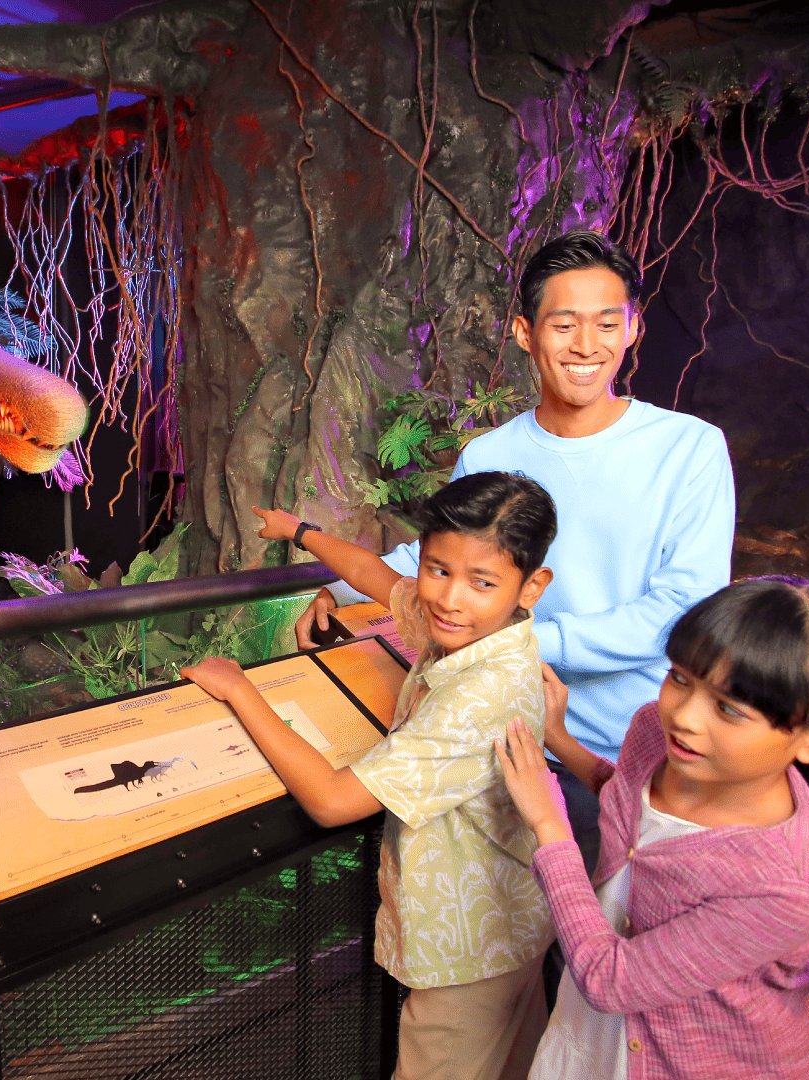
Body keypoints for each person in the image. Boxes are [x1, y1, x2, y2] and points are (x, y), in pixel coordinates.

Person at [300, 229, 736, 870]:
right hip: (495, 735)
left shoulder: (689, 448)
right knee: (497, 942)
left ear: (633, 328)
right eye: (563, 325)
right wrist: (333, 589)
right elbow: (438, 559)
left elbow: (683, 614)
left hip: (623, 753)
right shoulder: (490, 453)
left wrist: (514, 643)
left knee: (607, 949)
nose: (587, 347)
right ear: (526, 333)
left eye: (606, 323)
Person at [495, 576, 809, 1079]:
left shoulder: (786, 887)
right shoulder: (658, 732)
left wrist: (549, 823)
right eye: (680, 677)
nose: (685, 716)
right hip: (598, 1033)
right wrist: (560, 740)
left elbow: (611, 979)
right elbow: (629, 797)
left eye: (729, 708)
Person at [184, 471, 559, 1080]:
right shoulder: (485, 632)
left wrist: (240, 690)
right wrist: (300, 532)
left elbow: (333, 801)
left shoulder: (476, 694)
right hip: (514, 923)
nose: (448, 598)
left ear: (532, 585)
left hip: (467, 956)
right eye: (437, 569)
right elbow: (376, 579)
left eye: (480, 581)